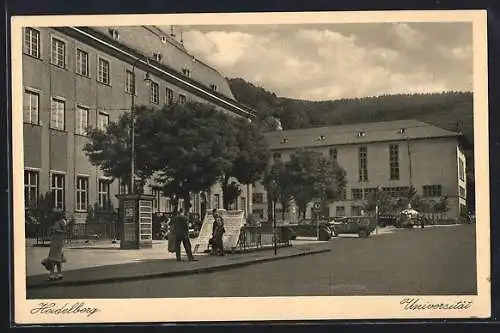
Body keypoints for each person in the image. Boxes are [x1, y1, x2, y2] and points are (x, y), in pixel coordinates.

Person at [42, 212, 68, 281]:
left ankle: (52, 275)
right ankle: (59, 274)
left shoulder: (61, 222)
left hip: (57, 242)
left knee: (52, 259)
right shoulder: (58, 222)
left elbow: (64, 231)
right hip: (56, 241)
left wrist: (57, 231)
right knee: (57, 258)